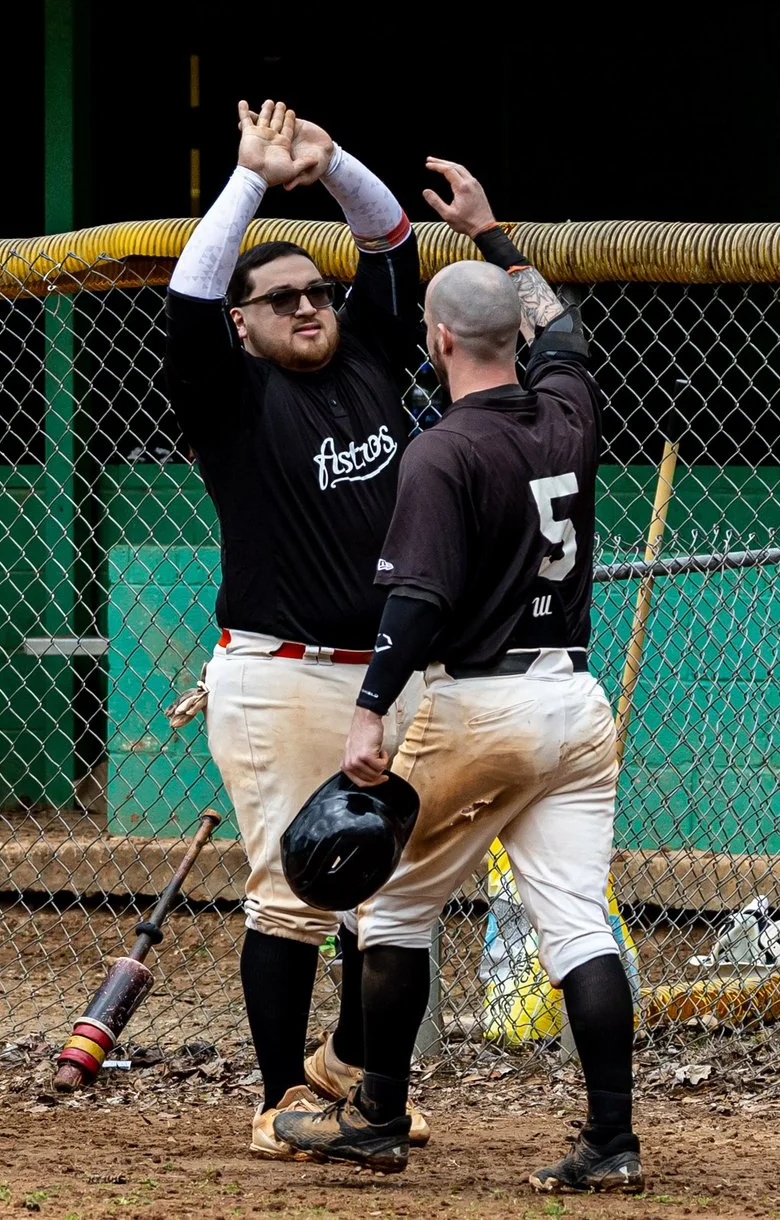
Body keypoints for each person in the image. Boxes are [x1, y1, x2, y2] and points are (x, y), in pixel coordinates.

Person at [274, 160, 639, 1193]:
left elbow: (418, 602)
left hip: (477, 703)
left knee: (389, 912)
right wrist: (493, 233)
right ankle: (610, 1137)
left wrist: (367, 712)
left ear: (435, 343)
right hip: (572, 700)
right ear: (510, 337)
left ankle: (378, 1112)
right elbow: (560, 329)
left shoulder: (439, 452)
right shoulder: (568, 404)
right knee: (574, 918)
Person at [159, 100, 431, 1153]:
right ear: (246, 321)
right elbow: (189, 292)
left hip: (386, 674)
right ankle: (280, 1100)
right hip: (280, 676)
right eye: (279, 298)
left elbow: (391, 242)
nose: (308, 306)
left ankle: (349, 1072)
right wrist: (250, 182)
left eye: (315, 291)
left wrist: (326, 166)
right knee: (293, 894)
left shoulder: (365, 356)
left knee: (393, 892)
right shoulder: (229, 394)